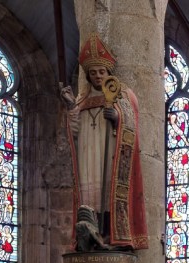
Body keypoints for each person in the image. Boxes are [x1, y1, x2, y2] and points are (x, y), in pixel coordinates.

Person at [61, 33, 147, 250]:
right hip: (88, 153)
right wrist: (71, 107)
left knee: (109, 189)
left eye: (101, 71)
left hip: (110, 154)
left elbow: (131, 124)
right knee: (89, 192)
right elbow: (74, 131)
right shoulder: (82, 99)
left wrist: (117, 117)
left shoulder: (122, 95)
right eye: (93, 73)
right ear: (88, 76)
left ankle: (110, 233)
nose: (98, 76)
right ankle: (91, 231)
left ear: (108, 72)